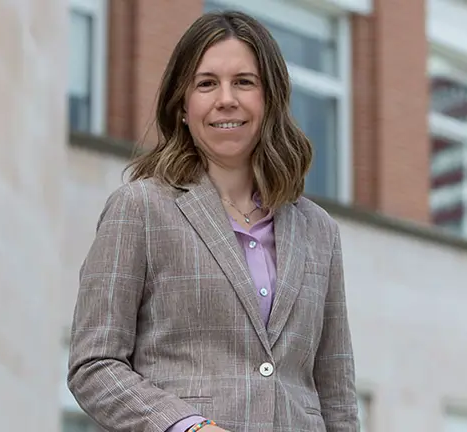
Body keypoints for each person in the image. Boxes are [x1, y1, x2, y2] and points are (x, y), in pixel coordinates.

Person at [67, 9, 358, 432]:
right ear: (183, 106)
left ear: (269, 99)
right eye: (206, 84)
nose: (226, 98)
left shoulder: (319, 231)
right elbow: (93, 364)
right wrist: (188, 427)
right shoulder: (141, 208)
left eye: (244, 82)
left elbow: (337, 395)